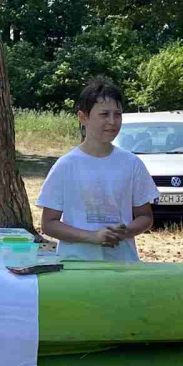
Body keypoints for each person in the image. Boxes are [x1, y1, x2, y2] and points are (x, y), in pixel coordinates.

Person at [36, 78, 159, 261]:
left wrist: (124, 232)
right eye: (104, 114)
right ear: (83, 117)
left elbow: (145, 218)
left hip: (123, 265)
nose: (112, 121)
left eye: (117, 114)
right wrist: (92, 237)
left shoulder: (132, 163)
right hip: (77, 264)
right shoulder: (66, 165)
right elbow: (49, 224)